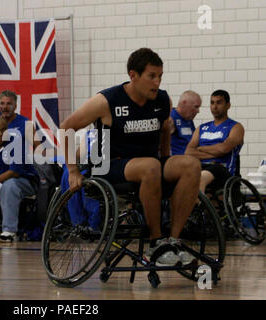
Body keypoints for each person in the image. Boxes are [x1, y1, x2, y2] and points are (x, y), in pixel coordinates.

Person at [61, 48, 201, 267]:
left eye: (160, 76)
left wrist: (167, 158)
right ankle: (155, 242)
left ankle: (173, 240)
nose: (157, 82)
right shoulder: (107, 100)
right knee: (151, 166)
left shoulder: (163, 100)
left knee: (191, 165)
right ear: (133, 75)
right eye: (152, 76)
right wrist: (72, 170)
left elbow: (165, 128)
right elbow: (67, 127)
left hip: (149, 163)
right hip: (109, 165)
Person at [185, 90, 244, 193]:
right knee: (181, 175)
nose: (215, 106)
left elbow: (224, 149)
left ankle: (198, 207)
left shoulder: (236, 127)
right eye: (212, 103)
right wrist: (216, 152)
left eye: (219, 102)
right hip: (201, 166)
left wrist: (200, 148)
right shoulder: (202, 128)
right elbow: (189, 152)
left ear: (228, 105)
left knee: (200, 177)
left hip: (223, 169)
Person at [170, 90, 202, 155]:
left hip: (191, 157)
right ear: (184, 103)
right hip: (177, 160)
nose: (198, 111)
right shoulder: (171, 118)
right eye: (196, 106)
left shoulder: (188, 119)